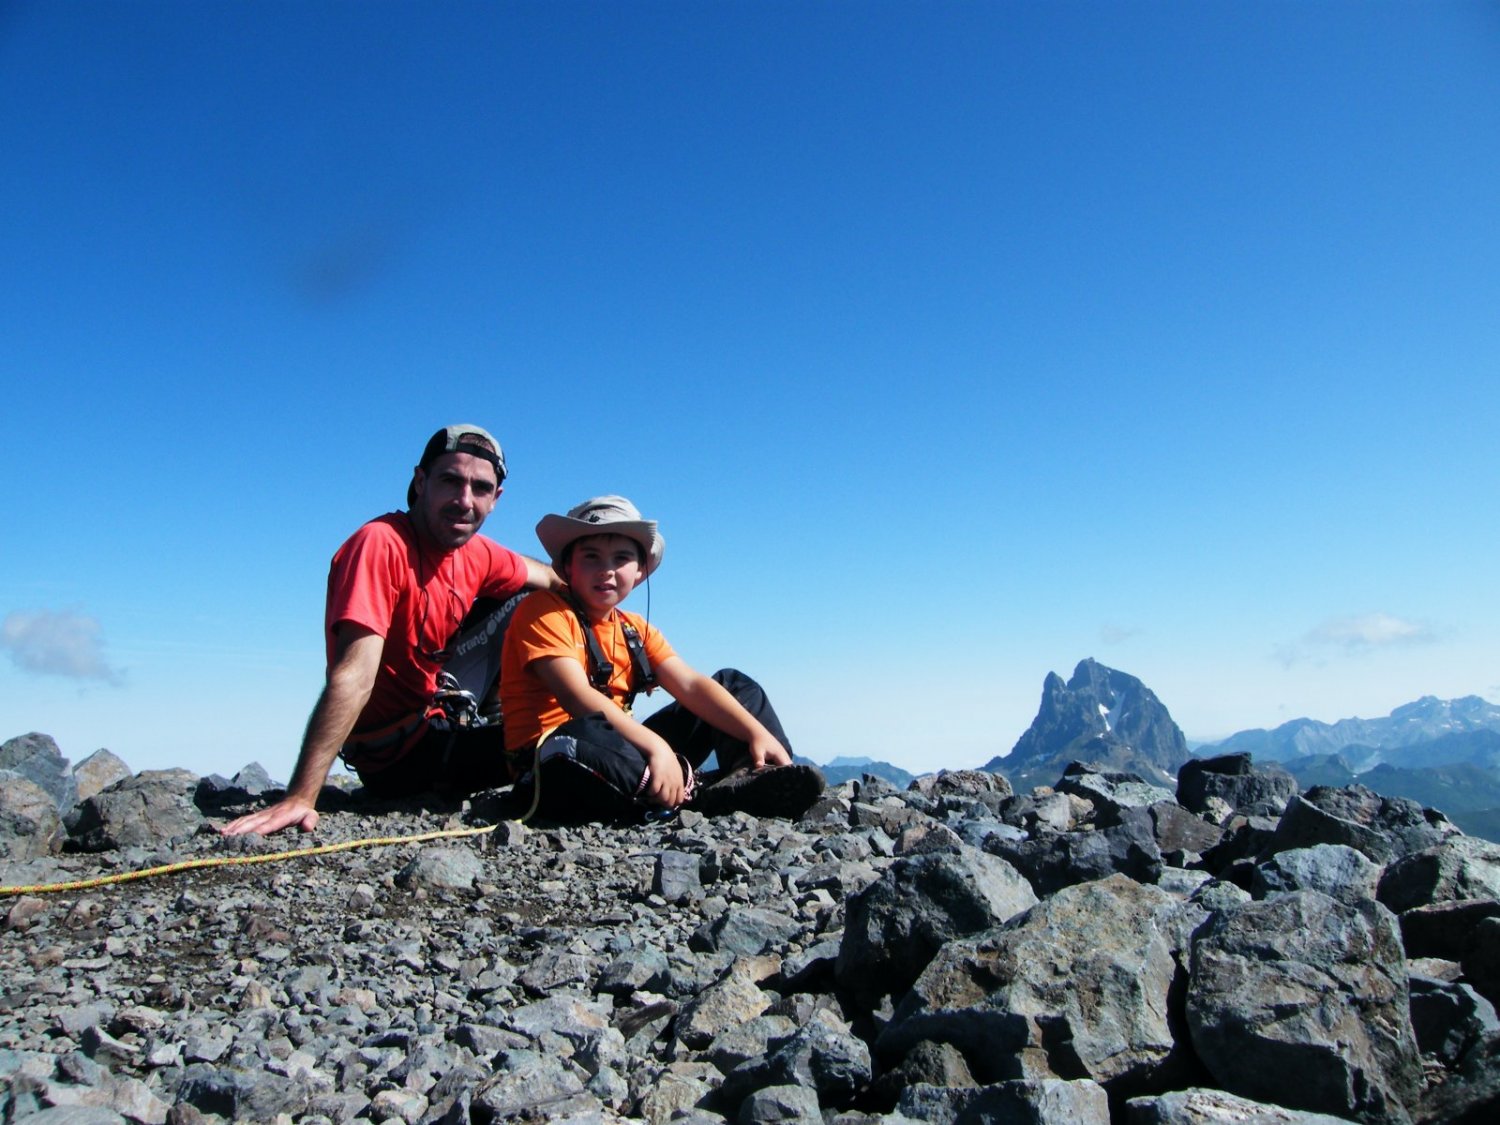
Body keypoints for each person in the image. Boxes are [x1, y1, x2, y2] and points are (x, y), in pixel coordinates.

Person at [223, 424, 563, 837]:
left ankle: (502, 718)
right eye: (450, 481)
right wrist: (301, 796)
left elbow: (545, 576)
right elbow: (354, 674)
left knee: (529, 598)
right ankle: (512, 737)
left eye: (480, 488)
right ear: (420, 481)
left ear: (496, 499)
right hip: (398, 757)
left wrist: (609, 611)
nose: (464, 501)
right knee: (555, 749)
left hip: (437, 709)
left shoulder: (473, 552)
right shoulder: (380, 544)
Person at [499, 495, 824, 822]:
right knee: (584, 735)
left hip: (623, 748)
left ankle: (751, 777)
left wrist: (756, 732)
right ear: (567, 567)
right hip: (551, 759)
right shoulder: (544, 610)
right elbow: (575, 696)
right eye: (591, 557)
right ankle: (693, 792)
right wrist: (658, 748)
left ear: (640, 571)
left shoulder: (634, 630)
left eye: (621, 558)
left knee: (733, 685)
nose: (607, 571)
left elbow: (690, 686)